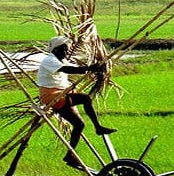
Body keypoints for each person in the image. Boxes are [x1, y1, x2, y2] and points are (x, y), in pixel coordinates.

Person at [37, 35, 117, 168]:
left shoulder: (61, 60)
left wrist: (93, 70)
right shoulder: (50, 60)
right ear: (57, 49)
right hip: (51, 95)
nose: (67, 52)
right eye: (65, 49)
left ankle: (70, 155)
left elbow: (74, 69)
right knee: (85, 99)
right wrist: (89, 68)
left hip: (62, 94)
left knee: (79, 125)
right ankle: (98, 127)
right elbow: (67, 69)